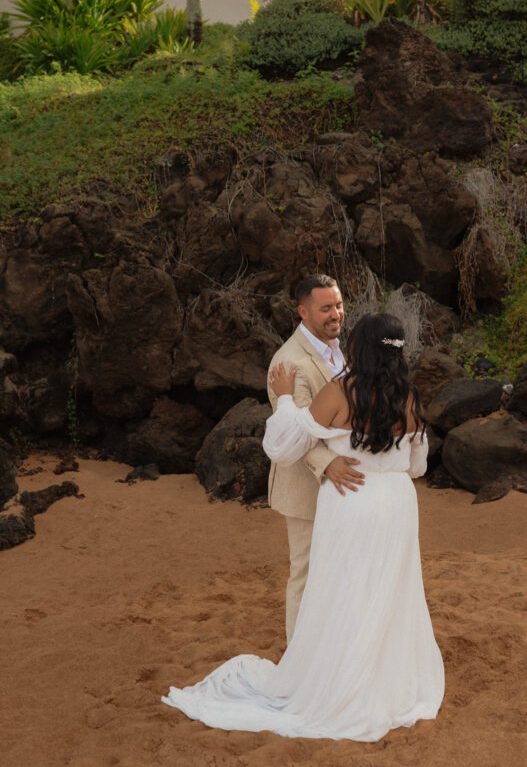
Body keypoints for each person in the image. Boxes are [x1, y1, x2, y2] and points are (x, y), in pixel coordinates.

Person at [161, 313, 444, 742]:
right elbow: (418, 467)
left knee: (342, 588)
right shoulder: (410, 399)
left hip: (351, 499)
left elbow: (283, 445)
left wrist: (287, 399)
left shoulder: (339, 393)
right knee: (390, 588)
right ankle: (383, 679)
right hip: (396, 504)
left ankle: (338, 678)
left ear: (361, 348)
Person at [265, 274, 365, 643]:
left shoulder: (341, 348)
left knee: (340, 570)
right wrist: (327, 464)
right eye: (325, 308)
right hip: (306, 486)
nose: (335, 314)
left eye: (338, 305)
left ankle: (331, 648)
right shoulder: (287, 363)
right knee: (305, 573)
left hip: (343, 485)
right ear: (303, 312)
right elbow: (293, 430)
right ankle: (297, 658)